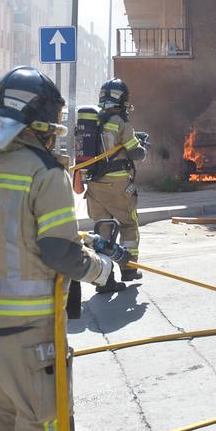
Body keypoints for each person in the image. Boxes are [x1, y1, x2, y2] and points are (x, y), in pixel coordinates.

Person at [0, 67, 123, 431]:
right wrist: (101, 270)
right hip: (29, 335)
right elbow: (58, 252)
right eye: (53, 117)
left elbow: (18, 237)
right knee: (44, 429)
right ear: (34, 118)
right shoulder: (45, 173)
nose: (57, 125)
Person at [81, 78, 147, 292]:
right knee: (129, 224)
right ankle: (129, 268)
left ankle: (105, 280)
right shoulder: (120, 122)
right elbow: (135, 153)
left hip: (94, 186)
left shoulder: (93, 121)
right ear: (123, 100)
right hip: (117, 184)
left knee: (102, 231)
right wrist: (142, 145)